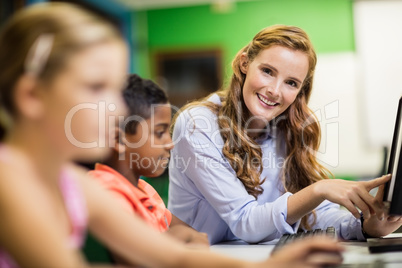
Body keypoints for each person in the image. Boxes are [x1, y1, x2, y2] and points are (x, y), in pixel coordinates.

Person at [0, 3, 344, 268]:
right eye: (96, 87)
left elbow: (176, 258)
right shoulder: (9, 182)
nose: (118, 109)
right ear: (32, 96)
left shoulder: (74, 183)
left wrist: (273, 263)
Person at [168, 24, 402, 245]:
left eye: (291, 82)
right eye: (268, 71)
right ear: (244, 64)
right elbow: (245, 222)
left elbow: (314, 216)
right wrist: (319, 190)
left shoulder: (286, 130)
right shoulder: (197, 125)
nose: (275, 91)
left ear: (300, 90)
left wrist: (365, 226)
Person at [88, 74, 209, 262]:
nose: (170, 143)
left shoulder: (144, 189)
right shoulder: (105, 190)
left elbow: (192, 234)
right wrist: (175, 239)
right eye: (160, 133)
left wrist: (184, 236)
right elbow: (132, 257)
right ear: (118, 140)